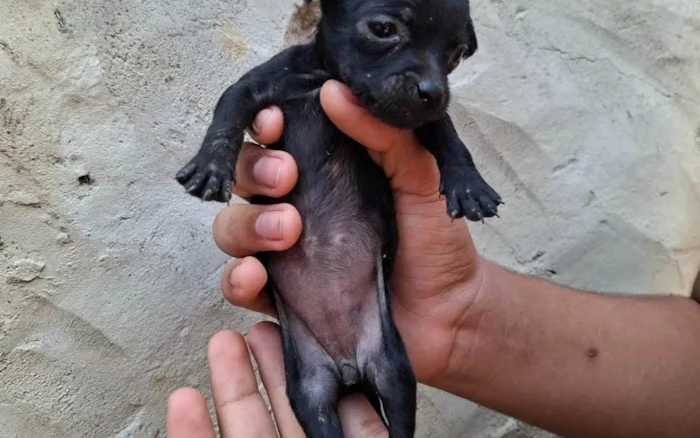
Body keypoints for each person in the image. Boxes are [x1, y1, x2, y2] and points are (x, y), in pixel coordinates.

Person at [167, 81, 700, 438]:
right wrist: (461, 318)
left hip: (371, 320)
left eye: (450, 55)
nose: (428, 80)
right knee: (315, 395)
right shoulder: (302, 79)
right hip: (342, 322)